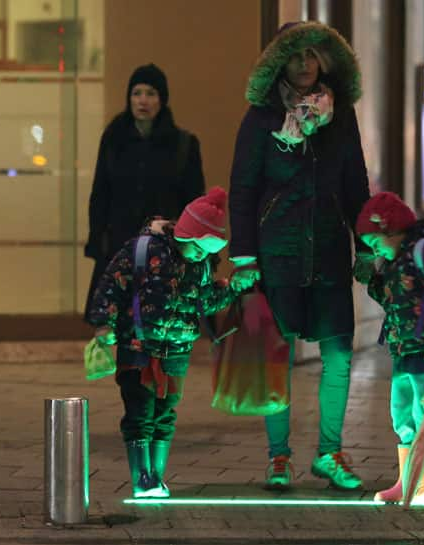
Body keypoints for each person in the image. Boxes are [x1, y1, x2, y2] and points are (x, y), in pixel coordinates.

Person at [227, 21, 372, 491]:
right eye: (296, 57)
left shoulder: (341, 115)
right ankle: (278, 456)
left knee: (339, 355)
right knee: (278, 357)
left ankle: (330, 452)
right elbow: (243, 190)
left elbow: (356, 185)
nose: (306, 65)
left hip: (329, 250)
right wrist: (245, 256)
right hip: (279, 254)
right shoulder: (261, 118)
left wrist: (368, 244)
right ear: (281, 63)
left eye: (313, 56)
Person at [86, 189, 237, 498]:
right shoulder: (143, 251)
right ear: (185, 233)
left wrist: (231, 290)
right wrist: (104, 323)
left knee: (166, 413)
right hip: (139, 347)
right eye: (197, 247)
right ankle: (143, 478)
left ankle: (156, 475)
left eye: (207, 250)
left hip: (178, 350)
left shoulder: (203, 264)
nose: (201, 254)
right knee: (140, 411)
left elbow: (204, 301)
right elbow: (111, 284)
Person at [353, 192, 424, 504]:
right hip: (403, 348)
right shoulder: (396, 260)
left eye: (376, 243)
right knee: (401, 414)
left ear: (390, 230)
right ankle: (411, 482)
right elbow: (394, 298)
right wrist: (372, 280)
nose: (375, 250)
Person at [85, 63, 206, 321]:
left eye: (151, 93)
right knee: (119, 321)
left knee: (157, 322)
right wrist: (98, 238)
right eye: (137, 93)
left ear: (162, 99)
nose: (143, 101)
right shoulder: (114, 138)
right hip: (120, 245)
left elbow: (194, 201)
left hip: (163, 249)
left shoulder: (182, 144)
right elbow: (101, 193)